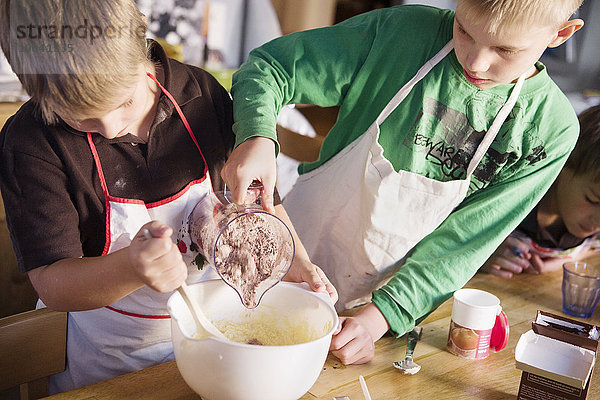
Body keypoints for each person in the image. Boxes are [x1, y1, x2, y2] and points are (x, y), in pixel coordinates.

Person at [220, 0, 585, 365]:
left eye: (505, 49)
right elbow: (271, 67)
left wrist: (376, 319)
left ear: (561, 34)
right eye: (464, 30)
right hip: (277, 255)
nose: (475, 62)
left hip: (383, 311)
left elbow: (462, 247)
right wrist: (257, 136)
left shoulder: (548, 130)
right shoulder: (404, 35)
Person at [0, 0, 335, 393]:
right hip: (109, 365)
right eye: (82, 118)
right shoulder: (32, 144)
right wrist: (131, 268)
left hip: (214, 342)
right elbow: (53, 283)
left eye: (125, 101)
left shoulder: (200, 94)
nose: (109, 128)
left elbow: (262, 200)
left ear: (141, 33)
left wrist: (296, 258)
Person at [481, 104, 600, 278]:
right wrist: (480, 255)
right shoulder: (512, 198)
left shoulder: (589, 222)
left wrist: (563, 261)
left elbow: (594, 247)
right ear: (562, 164)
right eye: (593, 200)